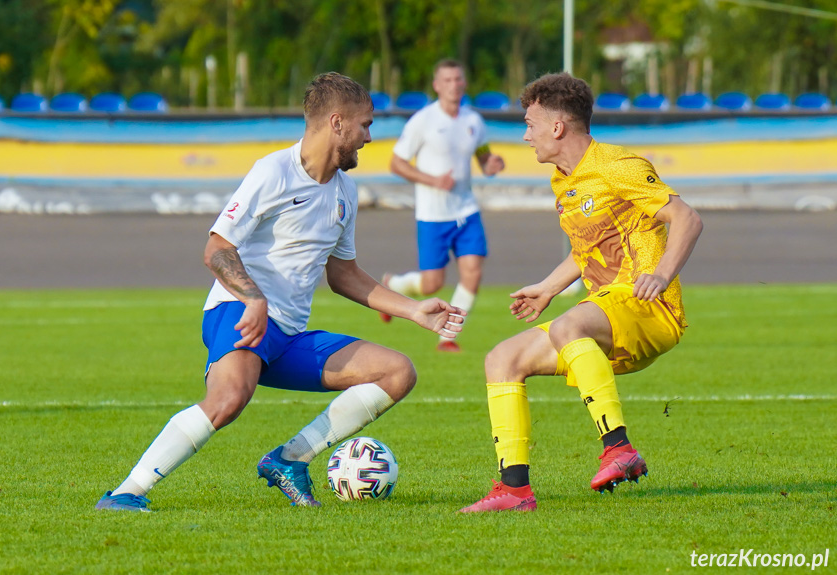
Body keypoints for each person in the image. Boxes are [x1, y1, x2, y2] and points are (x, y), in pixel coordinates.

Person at [95, 72, 465, 512]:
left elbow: (343, 274)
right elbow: (216, 248)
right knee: (228, 399)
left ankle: (288, 461)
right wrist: (254, 298)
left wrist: (413, 311)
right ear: (337, 123)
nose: (369, 136)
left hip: (287, 335)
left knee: (397, 372)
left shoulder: (346, 190)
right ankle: (125, 493)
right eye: (365, 125)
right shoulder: (273, 172)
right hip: (237, 313)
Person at [459, 72, 703, 513]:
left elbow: (687, 218)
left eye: (531, 124)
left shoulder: (617, 166)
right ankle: (514, 490)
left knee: (571, 324)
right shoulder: (562, 180)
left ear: (557, 127)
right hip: (606, 314)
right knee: (502, 359)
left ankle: (619, 449)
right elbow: (586, 249)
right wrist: (548, 289)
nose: (525, 134)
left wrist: (662, 276)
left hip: (649, 308)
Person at [380, 59, 505, 352]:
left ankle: (447, 336)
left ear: (465, 83)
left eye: (458, 79)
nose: (454, 85)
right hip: (433, 215)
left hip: (466, 210)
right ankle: (394, 285)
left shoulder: (474, 121)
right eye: (447, 80)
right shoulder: (423, 120)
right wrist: (432, 180)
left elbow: (484, 158)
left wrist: (492, 164)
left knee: (473, 271)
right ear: (437, 85)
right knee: (431, 285)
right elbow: (396, 163)